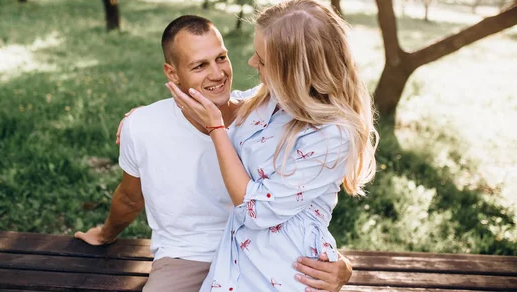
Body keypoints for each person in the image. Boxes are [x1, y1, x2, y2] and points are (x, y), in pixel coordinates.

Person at [75, 14, 353, 292]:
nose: (218, 74)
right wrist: (105, 233)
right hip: (189, 256)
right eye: (200, 65)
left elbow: (306, 195)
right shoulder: (143, 126)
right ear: (172, 73)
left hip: (263, 253)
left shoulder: (268, 113)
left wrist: (343, 266)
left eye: (221, 58)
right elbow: (128, 198)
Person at [167, 0, 378, 291]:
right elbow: (229, 106)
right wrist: (147, 115)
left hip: (281, 273)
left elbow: (255, 211)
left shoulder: (333, 135)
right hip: (236, 260)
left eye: (262, 60)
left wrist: (216, 128)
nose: (252, 63)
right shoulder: (274, 96)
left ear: (294, 72)